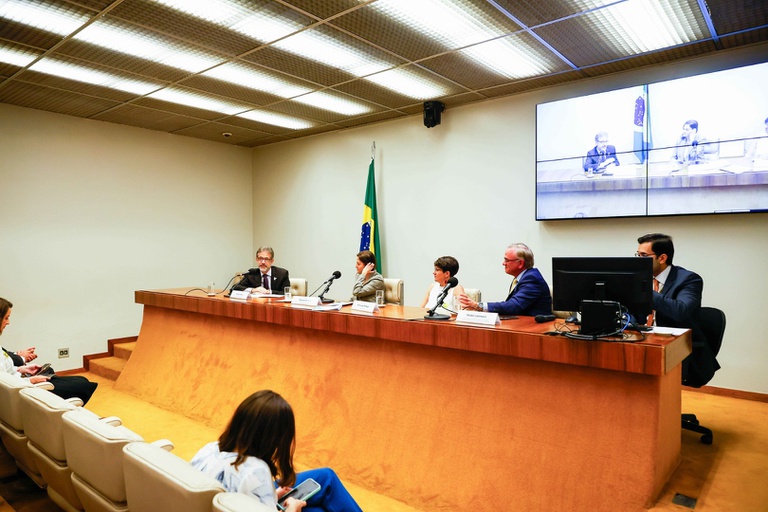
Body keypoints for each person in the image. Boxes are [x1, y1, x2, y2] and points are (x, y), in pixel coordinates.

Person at [191, 390, 362, 512]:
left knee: (325, 477)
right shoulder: (256, 471)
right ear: (272, 439)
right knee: (321, 499)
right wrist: (293, 508)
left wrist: (270, 495)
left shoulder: (209, 448)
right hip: (242, 494)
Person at [636, 233, 719, 387]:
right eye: (637, 255)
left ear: (662, 258)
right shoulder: (640, 277)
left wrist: (647, 292)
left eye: (644, 256)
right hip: (644, 342)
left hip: (678, 349)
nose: (638, 260)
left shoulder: (689, 279)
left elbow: (681, 311)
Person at [0, 297, 98, 404]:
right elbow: (6, 384)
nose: (8, 322)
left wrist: (23, 369)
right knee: (81, 385)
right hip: (25, 389)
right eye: (6, 318)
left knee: (81, 380)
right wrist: (30, 380)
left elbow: (6, 371)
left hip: (22, 381)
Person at [459, 243, 552, 316]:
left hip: (535, 328)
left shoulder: (532, 279)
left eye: (507, 260)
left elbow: (514, 306)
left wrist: (478, 305)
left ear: (520, 263)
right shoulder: (522, 277)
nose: (503, 263)